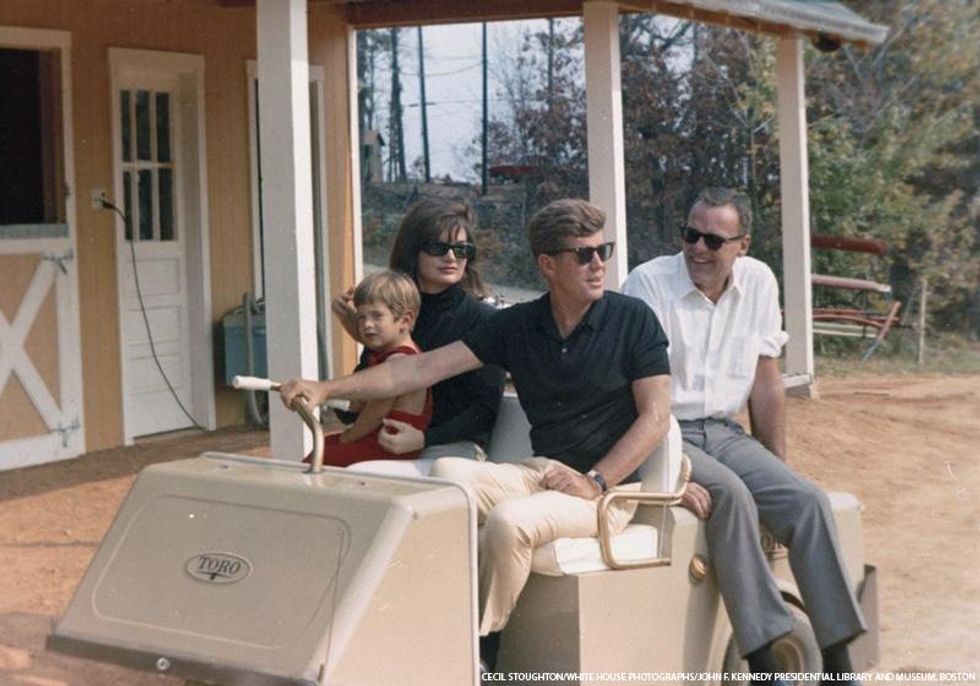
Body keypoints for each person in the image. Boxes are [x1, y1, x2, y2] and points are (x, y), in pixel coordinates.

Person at [283, 199, 672, 670]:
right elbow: (415, 371)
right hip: (542, 471)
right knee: (446, 476)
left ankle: (481, 653)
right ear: (548, 265)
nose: (598, 264)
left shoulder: (633, 319)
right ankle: (409, 616)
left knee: (510, 522)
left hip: (608, 491)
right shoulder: (519, 324)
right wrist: (325, 389)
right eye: (583, 254)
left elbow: (655, 418)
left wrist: (597, 480)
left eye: (602, 250)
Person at [622, 188, 865, 685]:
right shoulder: (648, 284)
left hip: (725, 430)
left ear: (743, 245)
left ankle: (839, 666)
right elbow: (631, 395)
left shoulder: (759, 282)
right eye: (690, 235)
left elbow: (766, 381)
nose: (698, 249)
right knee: (731, 496)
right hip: (666, 430)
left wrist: (777, 465)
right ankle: (763, 663)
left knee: (807, 502)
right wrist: (663, 470)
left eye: (713, 239)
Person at [332, 197, 504, 461]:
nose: (451, 257)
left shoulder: (484, 320)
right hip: (383, 437)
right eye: (438, 247)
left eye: (461, 249)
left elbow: (483, 411)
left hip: (449, 448)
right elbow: (365, 395)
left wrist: (424, 439)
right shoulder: (392, 316)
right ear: (413, 250)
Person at [309, 270, 431, 467]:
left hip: (388, 449)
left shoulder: (399, 361)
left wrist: (348, 437)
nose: (367, 324)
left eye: (377, 316)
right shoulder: (397, 353)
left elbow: (375, 413)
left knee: (318, 459)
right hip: (379, 443)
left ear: (405, 320)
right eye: (361, 317)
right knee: (323, 447)